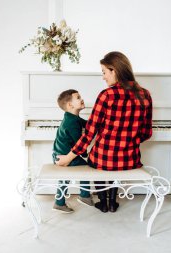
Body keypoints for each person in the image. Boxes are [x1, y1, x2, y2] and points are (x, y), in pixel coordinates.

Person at [56, 51, 153, 213]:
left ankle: (103, 202)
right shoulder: (145, 94)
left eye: (104, 72)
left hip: (104, 160)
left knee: (97, 158)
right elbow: (146, 133)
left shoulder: (106, 95)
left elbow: (89, 133)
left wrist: (68, 158)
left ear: (114, 70)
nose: (103, 77)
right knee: (114, 161)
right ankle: (113, 202)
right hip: (130, 160)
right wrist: (128, 141)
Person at [52, 89, 94, 213]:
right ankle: (85, 196)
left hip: (59, 153)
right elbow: (79, 143)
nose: (82, 99)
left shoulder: (72, 117)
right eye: (78, 97)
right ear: (70, 105)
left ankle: (59, 202)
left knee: (65, 178)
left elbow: (86, 124)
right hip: (64, 155)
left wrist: (97, 123)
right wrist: (85, 155)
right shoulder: (72, 123)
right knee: (85, 168)